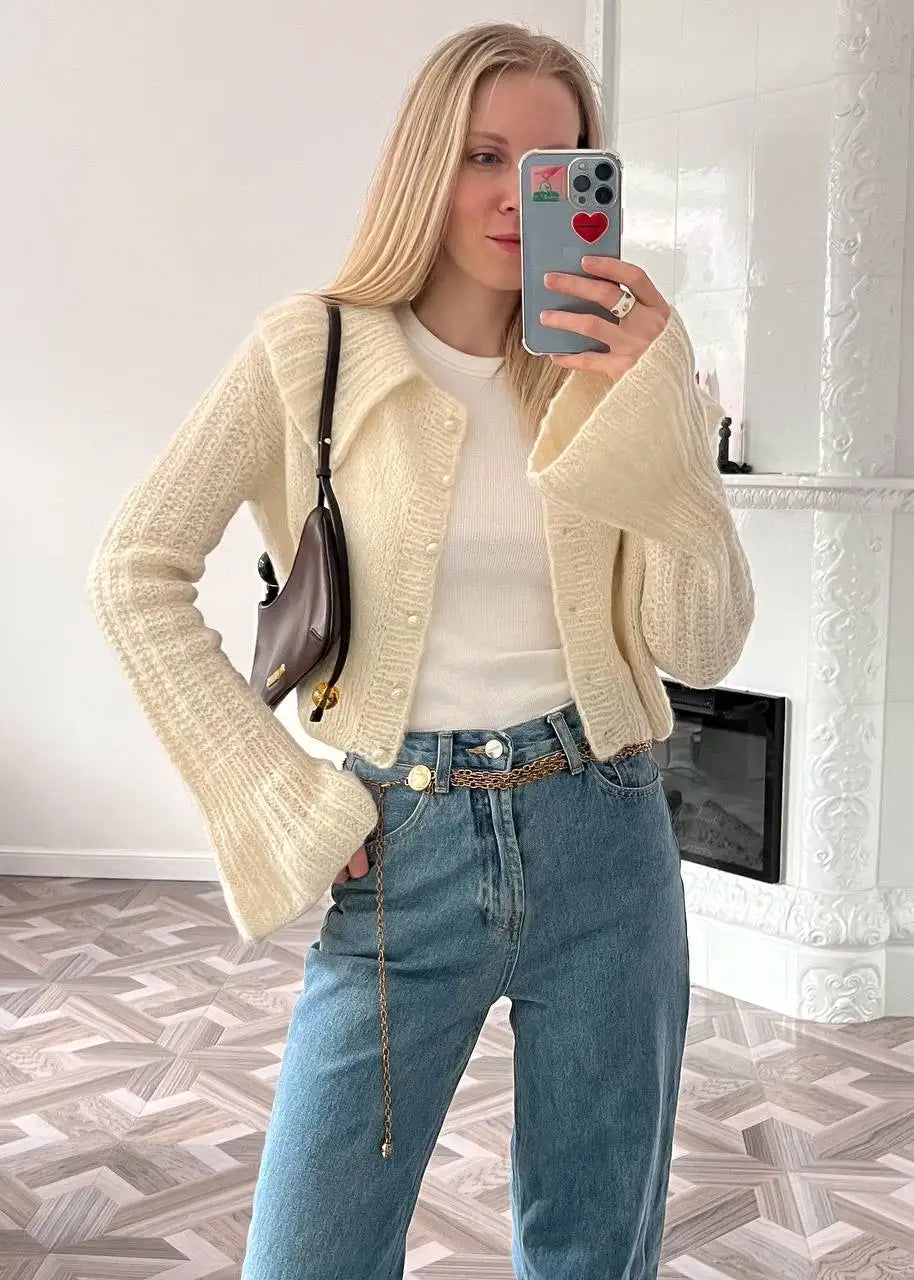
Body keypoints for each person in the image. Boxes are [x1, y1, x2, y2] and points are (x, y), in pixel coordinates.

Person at [86, 19, 755, 1280]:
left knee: (592, 1251)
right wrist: (277, 792)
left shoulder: (619, 372)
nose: (513, 197)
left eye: (552, 167)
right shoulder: (311, 348)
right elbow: (133, 569)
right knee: (309, 1253)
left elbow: (700, 641)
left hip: (606, 838)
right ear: (422, 166)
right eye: (481, 157)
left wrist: (660, 408)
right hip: (401, 847)